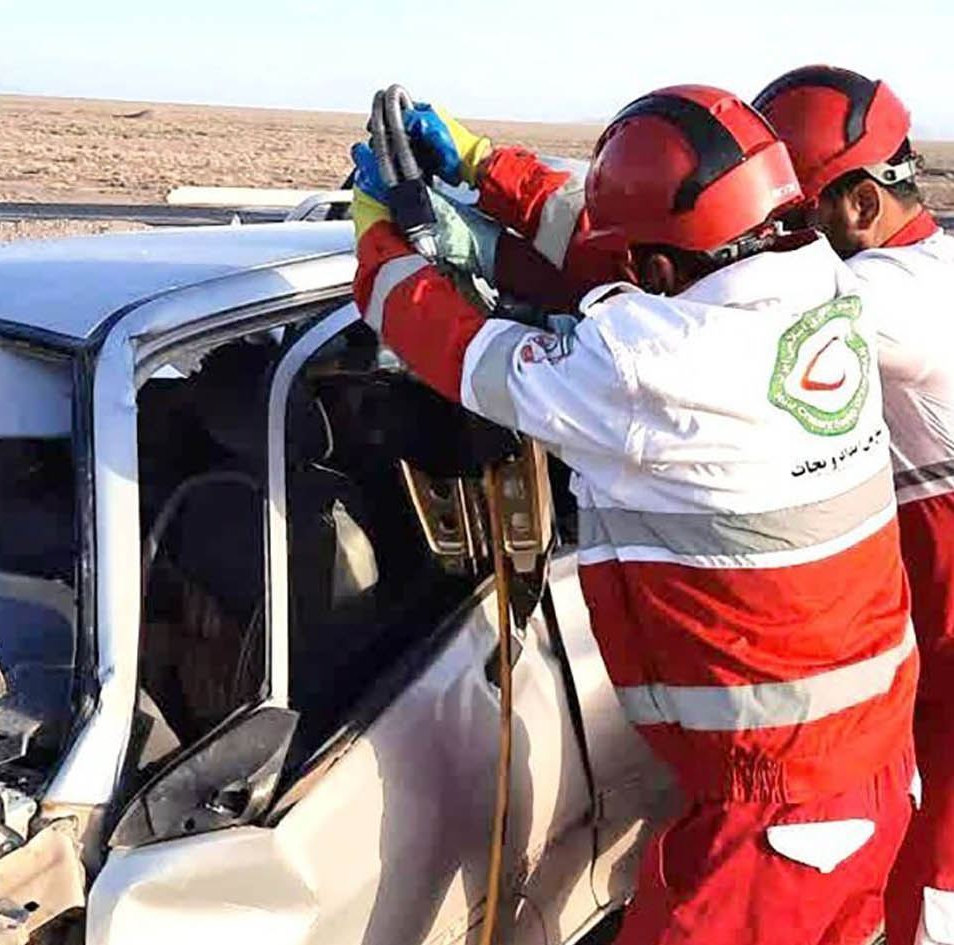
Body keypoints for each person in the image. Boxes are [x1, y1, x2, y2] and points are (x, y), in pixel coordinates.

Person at [352, 85, 917, 944]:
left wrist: (378, 248)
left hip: (775, 821)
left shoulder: (649, 366)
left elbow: (460, 349)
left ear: (654, 273)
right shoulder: (823, 287)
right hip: (858, 766)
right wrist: (481, 166)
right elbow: (608, 244)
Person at [753, 65, 954, 945]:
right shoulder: (931, 268)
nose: (776, 245)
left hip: (946, 653)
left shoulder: (889, 297)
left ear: (862, 202)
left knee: (933, 889)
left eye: (792, 222)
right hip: (925, 643)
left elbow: (721, 318)